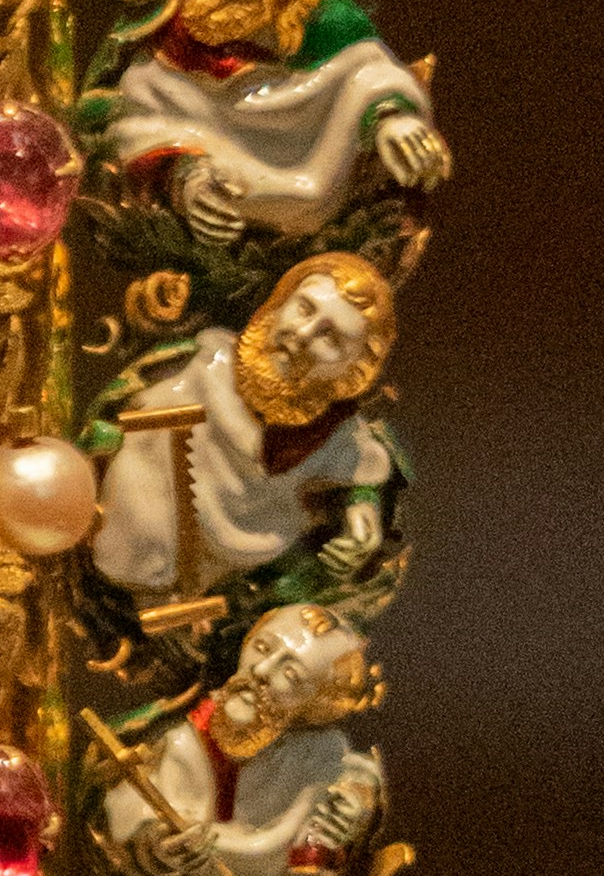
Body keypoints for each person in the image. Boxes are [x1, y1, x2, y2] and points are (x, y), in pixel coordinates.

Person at [100, 0, 448, 247]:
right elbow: (140, 110)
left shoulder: (333, 28)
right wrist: (184, 178)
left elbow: (369, 77)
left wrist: (390, 119)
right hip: (218, 188)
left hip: (312, 193)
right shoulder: (177, 29)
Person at [90, 253, 401, 613]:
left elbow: (364, 473)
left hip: (236, 557)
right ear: (279, 303)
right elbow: (119, 411)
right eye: (303, 309)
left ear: (352, 372)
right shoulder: (202, 364)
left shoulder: (329, 433)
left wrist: (363, 517)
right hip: (140, 518)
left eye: (331, 338)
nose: (302, 335)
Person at [89, 602, 387, 876]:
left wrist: (358, 802)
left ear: (312, 705)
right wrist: (158, 847)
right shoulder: (177, 742)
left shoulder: (313, 758)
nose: (261, 671)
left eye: (290, 675)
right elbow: (131, 817)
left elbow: (354, 775)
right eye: (262, 648)